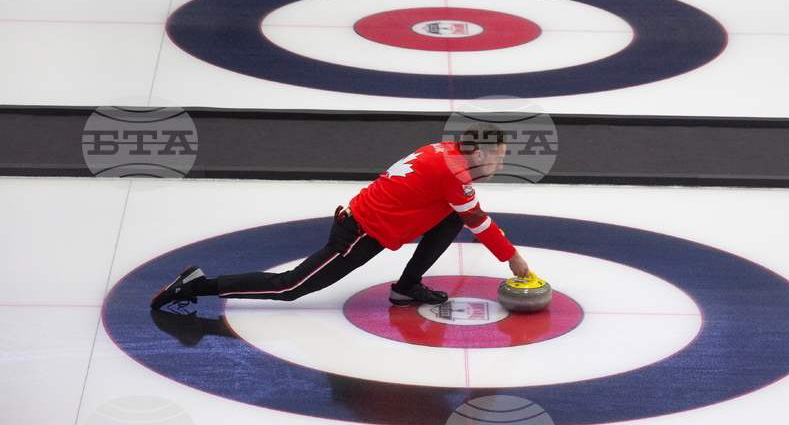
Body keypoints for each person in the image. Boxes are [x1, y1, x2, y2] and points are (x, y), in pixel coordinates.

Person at [151, 123, 531, 310]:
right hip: (359, 232)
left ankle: (406, 287)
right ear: (478, 155)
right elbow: (478, 220)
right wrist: (512, 258)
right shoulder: (455, 172)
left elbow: (464, 212)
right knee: (290, 287)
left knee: (451, 216)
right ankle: (195, 285)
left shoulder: (446, 151)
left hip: (374, 224)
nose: (500, 163)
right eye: (498, 157)